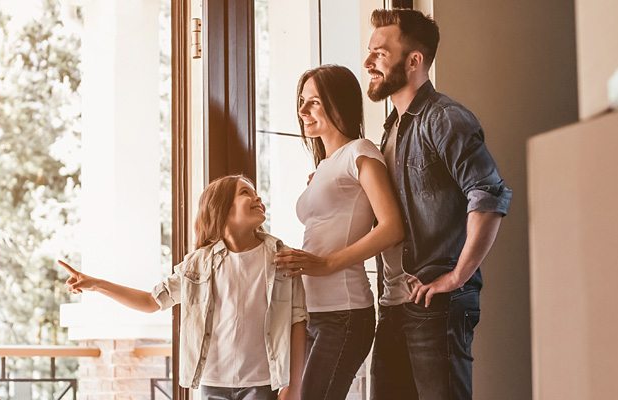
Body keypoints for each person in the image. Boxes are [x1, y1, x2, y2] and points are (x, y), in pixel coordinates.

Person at [362, 9, 512, 400]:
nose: (368, 61)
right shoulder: (393, 128)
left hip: (435, 305)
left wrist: (457, 276)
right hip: (393, 305)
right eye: (369, 51)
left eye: (380, 52)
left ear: (414, 61)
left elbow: (489, 194)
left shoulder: (444, 119)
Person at [58, 175, 308, 400]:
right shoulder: (197, 264)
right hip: (212, 382)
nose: (257, 197)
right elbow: (150, 301)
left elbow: (298, 322)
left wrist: (293, 387)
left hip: (263, 383)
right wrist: (97, 285)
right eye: (245, 193)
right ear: (221, 208)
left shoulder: (282, 258)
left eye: (255, 193)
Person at [272, 64, 418, 400]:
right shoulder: (324, 166)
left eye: (314, 102)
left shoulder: (360, 152)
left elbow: (392, 227)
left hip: (345, 312)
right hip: (312, 311)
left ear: (338, 104)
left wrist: (325, 264)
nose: (302, 110)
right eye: (302, 101)